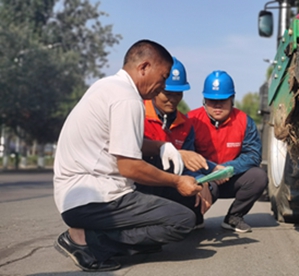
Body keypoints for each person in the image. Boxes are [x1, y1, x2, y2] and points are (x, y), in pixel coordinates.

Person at [52, 40, 210, 272]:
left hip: (75, 196)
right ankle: (87, 241)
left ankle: (97, 237)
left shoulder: (107, 86)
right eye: (163, 77)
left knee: (160, 226)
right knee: (182, 220)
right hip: (96, 200)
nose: (163, 85)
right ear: (144, 67)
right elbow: (129, 167)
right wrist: (177, 181)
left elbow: (119, 143)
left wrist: (159, 147)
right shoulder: (128, 99)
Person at [138, 57, 216, 228]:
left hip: (171, 184)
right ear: (156, 89)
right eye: (167, 93)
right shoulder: (138, 114)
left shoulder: (186, 124)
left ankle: (187, 218)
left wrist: (201, 181)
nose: (173, 99)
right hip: (143, 183)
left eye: (178, 93)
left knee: (208, 186)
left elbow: (189, 166)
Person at [187, 70, 267, 233]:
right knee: (203, 186)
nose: (217, 105)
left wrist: (227, 169)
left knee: (258, 177)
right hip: (202, 179)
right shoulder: (191, 120)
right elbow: (185, 155)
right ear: (204, 100)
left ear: (232, 99)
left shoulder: (245, 121)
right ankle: (195, 217)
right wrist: (208, 175)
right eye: (212, 100)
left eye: (222, 100)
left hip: (230, 177)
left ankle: (234, 217)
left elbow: (253, 155)